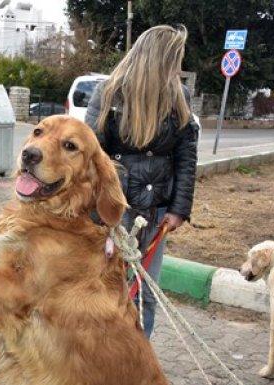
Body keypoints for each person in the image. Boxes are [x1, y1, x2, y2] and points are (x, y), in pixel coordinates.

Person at [85, 24, 199, 337]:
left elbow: (186, 157)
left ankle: (138, 354)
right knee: (107, 287)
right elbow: (91, 155)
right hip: (115, 210)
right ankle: (101, 354)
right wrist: (97, 211)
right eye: (175, 60)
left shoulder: (180, 96)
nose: (178, 68)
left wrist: (179, 209)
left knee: (146, 292)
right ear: (161, 58)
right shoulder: (109, 93)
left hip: (157, 213)